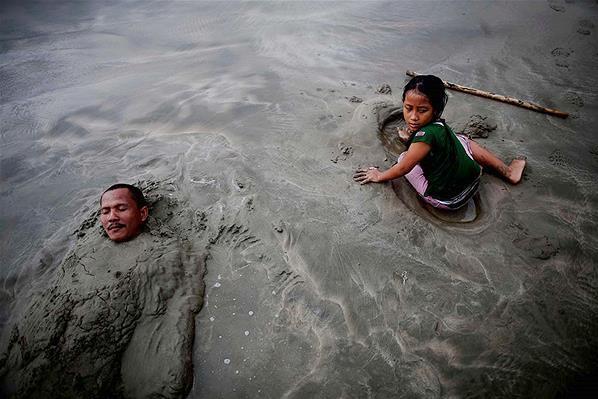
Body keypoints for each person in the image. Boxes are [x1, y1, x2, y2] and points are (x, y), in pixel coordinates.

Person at [353, 75, 526, 210]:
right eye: (408, 108)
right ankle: (508, 172)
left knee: (403, 158)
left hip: (449, 200)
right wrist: (411, 138)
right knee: (461, 139)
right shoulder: (439, 125)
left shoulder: (424, 136)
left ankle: (508, 173)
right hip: (474, 179)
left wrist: (379, 175)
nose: (413, 117)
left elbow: (404, 167)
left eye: (422, 110)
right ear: (403, 104)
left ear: (435, 110)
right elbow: (431, 139)